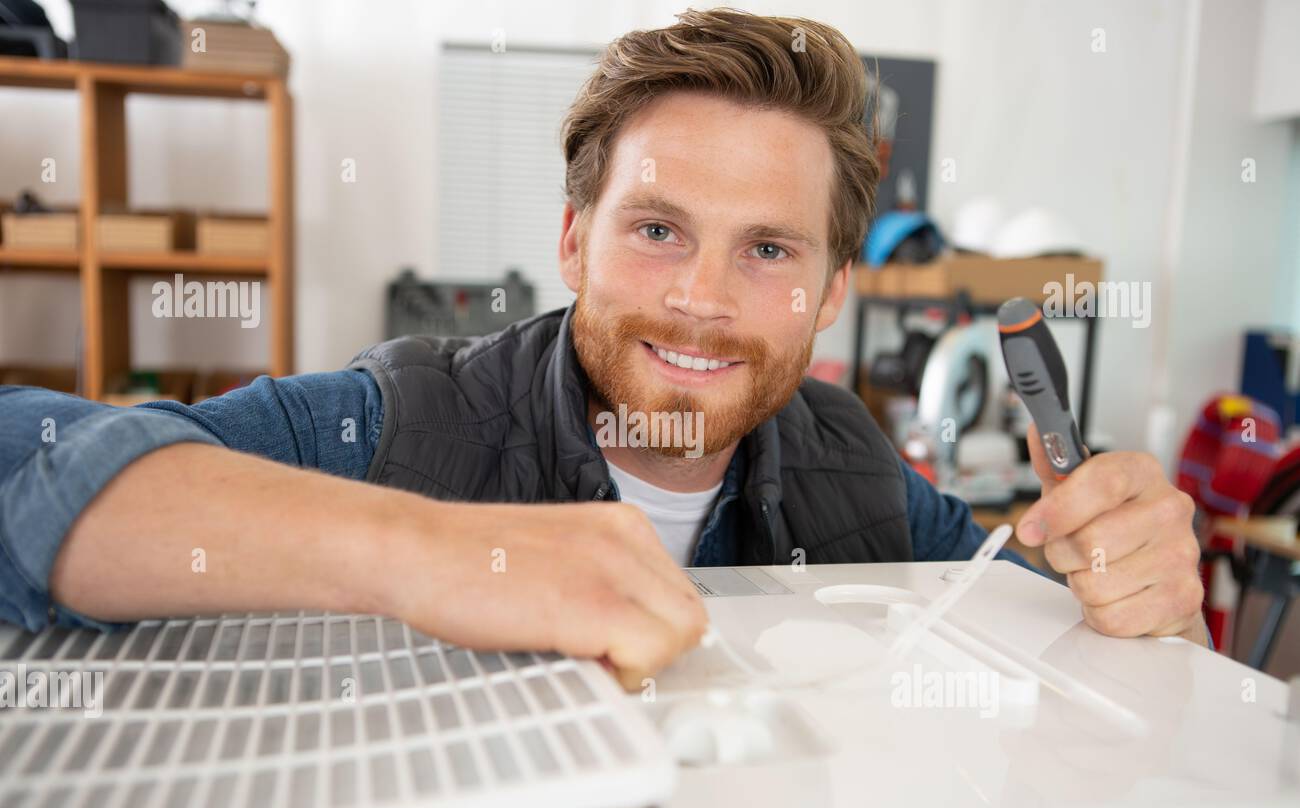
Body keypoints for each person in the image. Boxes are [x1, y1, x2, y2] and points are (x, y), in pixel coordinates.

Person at [0, 10, 1207, 692]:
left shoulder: (850, 463)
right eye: (657, 228)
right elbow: (30, 459)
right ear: (574, 238)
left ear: (834, 291)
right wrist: (426, 552)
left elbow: (1086, 649)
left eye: (770, 251)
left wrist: (1138, 584)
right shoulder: (403, 419)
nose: (699, 298)